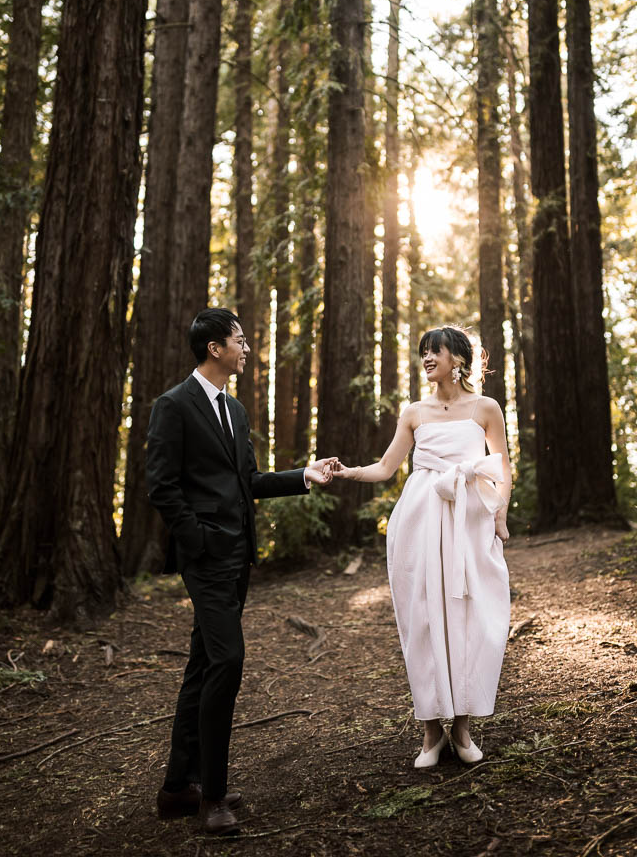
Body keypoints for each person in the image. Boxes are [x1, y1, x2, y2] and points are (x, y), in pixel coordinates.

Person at [146, 307, 334, 838]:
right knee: (228, 661)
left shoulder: (236, 410)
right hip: (205, 559)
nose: (246, 347)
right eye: (240, 339)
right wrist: (198, 541)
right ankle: (212, 797)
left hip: (238, 557)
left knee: (203, 664)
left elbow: (246, 479)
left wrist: (303, 476)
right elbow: (161, 485)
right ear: (214, 348)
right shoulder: (173, 406)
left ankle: (176, 789)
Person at [334, 325, 511, 768]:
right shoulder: (413, 412)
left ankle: (464, 728)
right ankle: (431, 733)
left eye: (436, 351)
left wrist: (500, 517)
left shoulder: (486, 408)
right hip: (420, 519)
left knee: (472, 616)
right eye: (424, 352)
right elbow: (386, 466)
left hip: (469, 519)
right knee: (425, 618)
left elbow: (501, 466)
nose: (428, 358)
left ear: (459, 358)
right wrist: (349, 472)